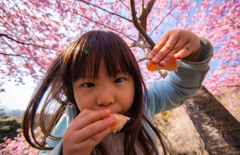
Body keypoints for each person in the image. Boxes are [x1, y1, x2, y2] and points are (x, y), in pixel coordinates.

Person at [22, 29, 213, 155]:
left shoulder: (145, 101)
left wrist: (194, 52)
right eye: (88, 84)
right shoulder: (69, 123)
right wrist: (66, 151)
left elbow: (179, 88)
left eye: (119, 80)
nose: (105, 99)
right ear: (72, 91)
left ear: (135, 83)